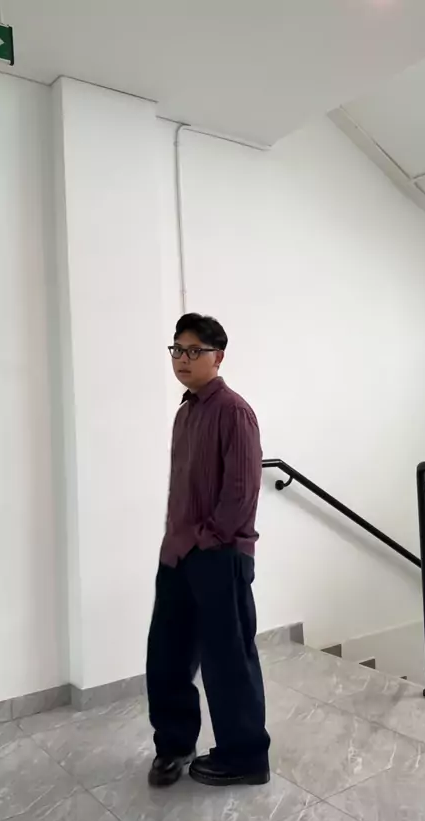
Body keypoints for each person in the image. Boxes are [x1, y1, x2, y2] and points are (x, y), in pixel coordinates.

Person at [146, 312, 270, 788]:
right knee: (167, 656)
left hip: (220, 555)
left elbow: (241, 491)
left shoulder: (234, 411)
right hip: (177, 554)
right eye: (178, 349)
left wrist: (208, 539)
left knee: (228, 660)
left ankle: (245, 758)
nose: (183, 358)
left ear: (218, 357)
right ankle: (174, 746)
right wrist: (178, 542)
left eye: (195, 350)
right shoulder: (185, 414)